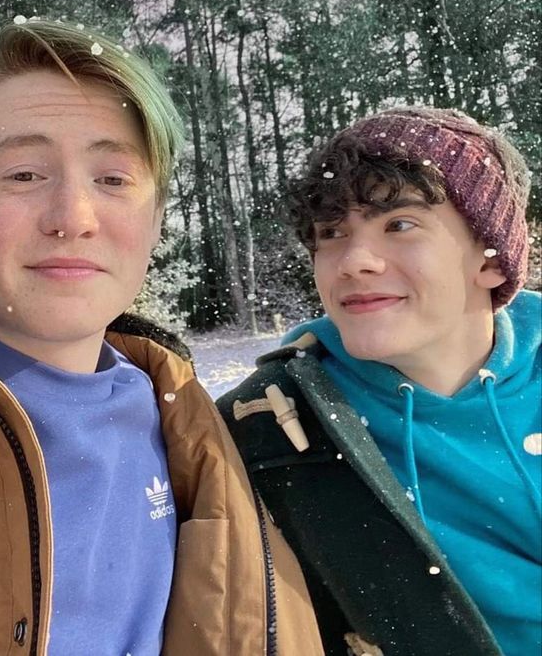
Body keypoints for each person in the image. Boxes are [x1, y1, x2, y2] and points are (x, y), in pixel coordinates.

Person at [0, 20, 324, 655]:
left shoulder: (193, 425)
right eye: (24, 175)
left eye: (113, 180)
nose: (73, 219)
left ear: (156, 218)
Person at [218, 106, 541, 656]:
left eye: (400, 224)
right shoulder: (264, 427)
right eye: (331, 233)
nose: (354, 261)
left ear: (489, 260)